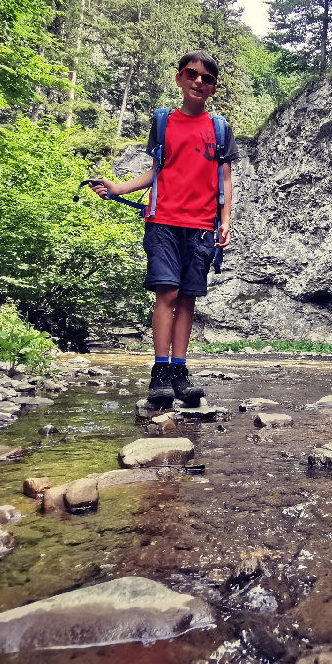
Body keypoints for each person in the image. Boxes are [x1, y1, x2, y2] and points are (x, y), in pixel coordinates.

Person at [93, 50, 238, 407]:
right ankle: (159, 372)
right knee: (167, 294)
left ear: (213, 89)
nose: (198, 82)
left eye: (207, 79)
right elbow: (155, 171)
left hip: (203, 226)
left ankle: (179, 370)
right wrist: (118, 188)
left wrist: (225, 221)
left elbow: (226, 179)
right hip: (163, 221)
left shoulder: (220, 129)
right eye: (192, 74)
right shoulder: (163, 123)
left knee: (187, 297)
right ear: (179, 78)